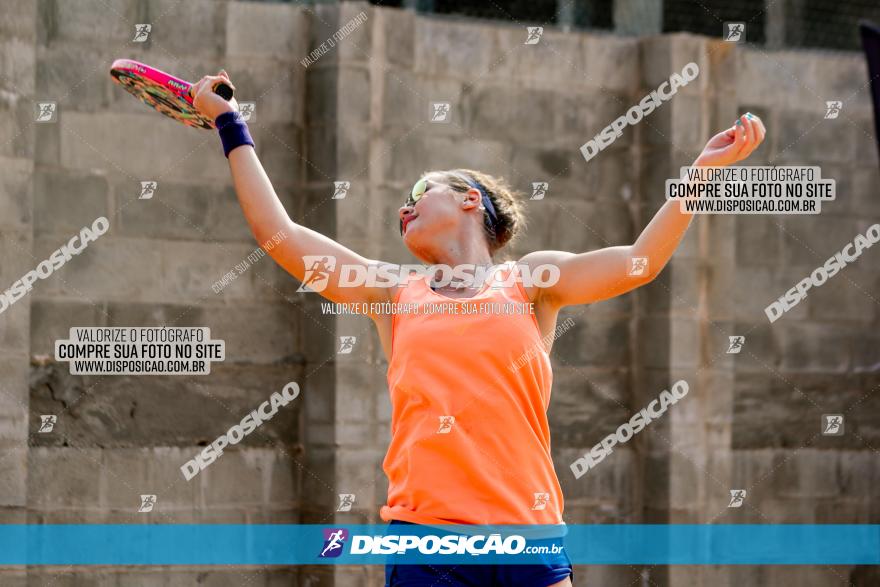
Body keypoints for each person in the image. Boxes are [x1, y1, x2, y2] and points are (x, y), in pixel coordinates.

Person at [191, 70, 766, 587]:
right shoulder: (394, 290)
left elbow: (642, 261)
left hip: (530, 540)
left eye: (418, 193)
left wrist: (700, 174)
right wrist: (231, 126)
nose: (403, 209)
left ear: (470, 200)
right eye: (400, 206)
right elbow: (280, 235)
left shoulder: (533, 281)